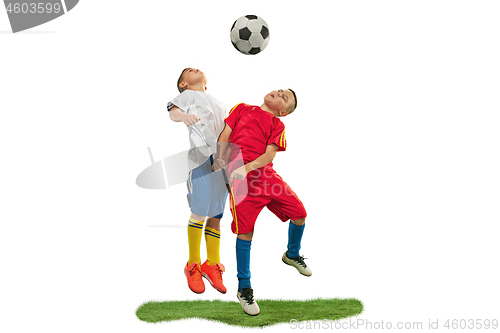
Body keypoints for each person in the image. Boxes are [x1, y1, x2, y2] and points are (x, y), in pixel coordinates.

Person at [213, 89, 311, 316]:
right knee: (245, 232)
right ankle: (244, 288)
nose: (278, 93)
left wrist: (246, 168)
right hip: (241, 183)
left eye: (283, 97)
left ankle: (292, 254)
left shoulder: (277, 126)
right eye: (279, 90)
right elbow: (225, 135)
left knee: (300, 213)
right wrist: (220, 158)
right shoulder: (242, 109)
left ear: (282, 112)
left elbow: (269, 155)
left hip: (265, 177)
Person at [167, 68, 228, 294]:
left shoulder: (217, 101)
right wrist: (183, 116)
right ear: (184, 84)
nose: (195, 69)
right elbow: (173, 112)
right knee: (200, 210)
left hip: (222, 159)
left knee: (217, 213)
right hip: (201, 159)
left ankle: (212, 263)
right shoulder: (187, 96)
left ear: (206, 83)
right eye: (188, 72)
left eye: (197, 69)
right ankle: (192, 263)